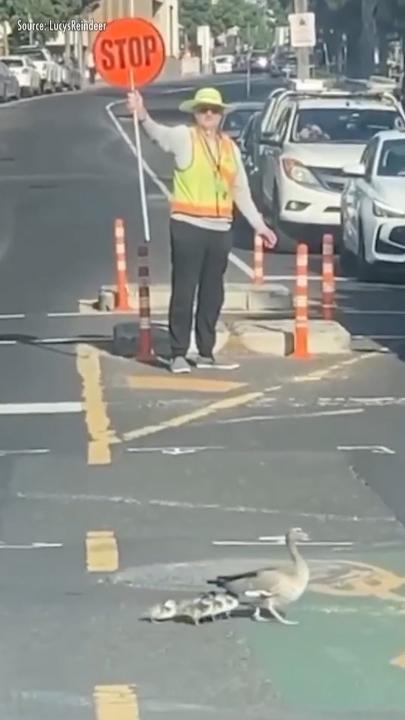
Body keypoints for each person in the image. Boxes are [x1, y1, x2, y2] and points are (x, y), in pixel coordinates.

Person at [127, 86, 277, 374]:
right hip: (188, 226)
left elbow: (240, 190)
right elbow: (157, 134)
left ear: (221, 116)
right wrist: (142, 113)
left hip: (220, 230)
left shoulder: (229, 148)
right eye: (204, 110)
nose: (209, 115)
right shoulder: (185, 137)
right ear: (196, 113)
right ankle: (178, 353)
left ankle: (206, 351)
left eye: (214, 111)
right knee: (184, 290)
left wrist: (259, 225)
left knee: (213, 292)